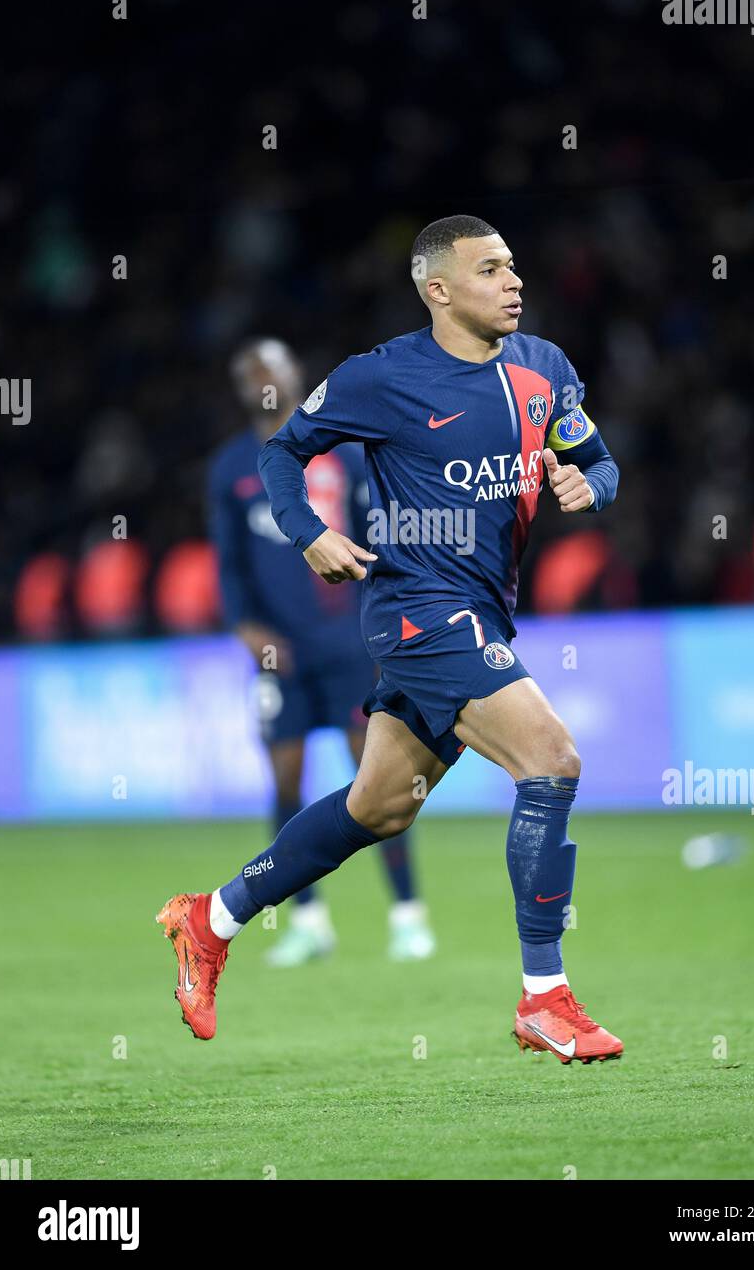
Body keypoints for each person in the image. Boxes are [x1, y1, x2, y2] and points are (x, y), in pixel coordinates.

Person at [158, 215, 623, 1065]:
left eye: (515, 266)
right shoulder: (383, 376)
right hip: (417, 608)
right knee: (552, 760)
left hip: (484, 607)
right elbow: (281, 456)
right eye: (491, 270)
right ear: (438, 290)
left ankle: (211, 918)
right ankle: (544, 998)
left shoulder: (545, 369)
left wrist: (587, 485)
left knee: (379, 806)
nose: (515, 281)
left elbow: (600, 460)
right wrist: (311, 536)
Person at [206, 338, 435, 966]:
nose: (263, 379)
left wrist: (389, 614)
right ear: (241, 386)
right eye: (251, 371)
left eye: (272, 367)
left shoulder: (341, 454)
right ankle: (307, 921)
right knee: (284, 780)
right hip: (279, 654)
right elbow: (228, 564)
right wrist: (244, 628)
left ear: (295, 373)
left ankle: (407, 915)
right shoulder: (231, 469)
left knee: (377, 777)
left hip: (350, 642)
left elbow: (384, 533)